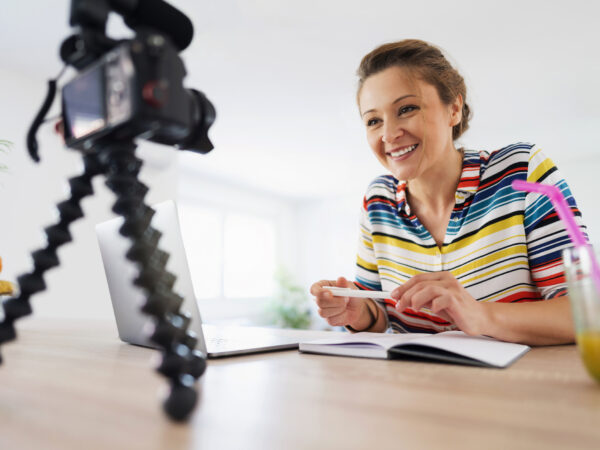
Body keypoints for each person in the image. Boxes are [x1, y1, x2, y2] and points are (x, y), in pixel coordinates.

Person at [310, 39, 586, 346]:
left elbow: (587, 311)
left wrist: (480, 315)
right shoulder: (378, 200)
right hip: (412, 387)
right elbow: (379, 313)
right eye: (374, 121)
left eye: (407, 109)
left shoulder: (523, 172)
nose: (388, 134)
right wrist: (357, 311)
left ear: (453, 109)